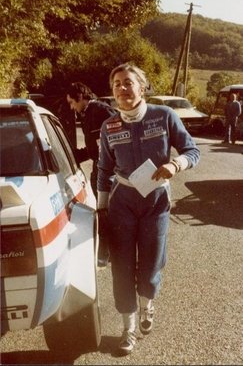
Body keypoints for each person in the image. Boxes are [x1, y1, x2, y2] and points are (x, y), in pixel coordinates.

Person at [97, 63, 200, 355]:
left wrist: (175, 164)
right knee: (122, 267)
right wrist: (102, 208)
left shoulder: (164, 116)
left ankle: (148, 304)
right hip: (122, 203)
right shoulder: (109, 126)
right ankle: (127, 329)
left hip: (156, 201)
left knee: (152, 262)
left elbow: (192, 150)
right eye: (116, 83)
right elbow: (103, 169)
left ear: (142, 87)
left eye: (128, 82)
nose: (122, 88)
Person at [66, 82, 116, 267]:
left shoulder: (102, 110)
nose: (72, 107)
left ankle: (107, 251)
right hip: (100, 166)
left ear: (80, 97)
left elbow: (118, 139)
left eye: (72, 102)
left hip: (109, 169)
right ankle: (108, 250)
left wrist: (111, 164)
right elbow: (93, 148)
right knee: (104, 210)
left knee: (106, 210)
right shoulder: (88, 113)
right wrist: (72, 156)